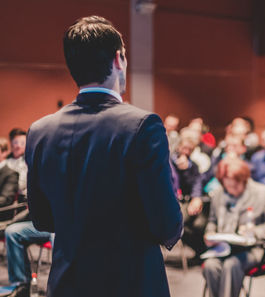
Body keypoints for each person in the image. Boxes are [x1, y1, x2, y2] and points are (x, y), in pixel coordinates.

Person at [25, 16, 182, 297]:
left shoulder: (40, 130)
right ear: (118, 59)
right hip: (130, 282)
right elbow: (166, 222)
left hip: (67, 283)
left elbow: (42, 219)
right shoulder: (143, 125)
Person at [202, 158, 265, 297]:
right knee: (210, 266)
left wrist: (254, 231)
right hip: (224, 248)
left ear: (244, 180)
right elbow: (212, 221)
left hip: (254, 248)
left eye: (236, 186)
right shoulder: (219, 194)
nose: (232, 190)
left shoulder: (263, 193)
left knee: (231, 265)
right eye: (228, 187)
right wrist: (210, 234)